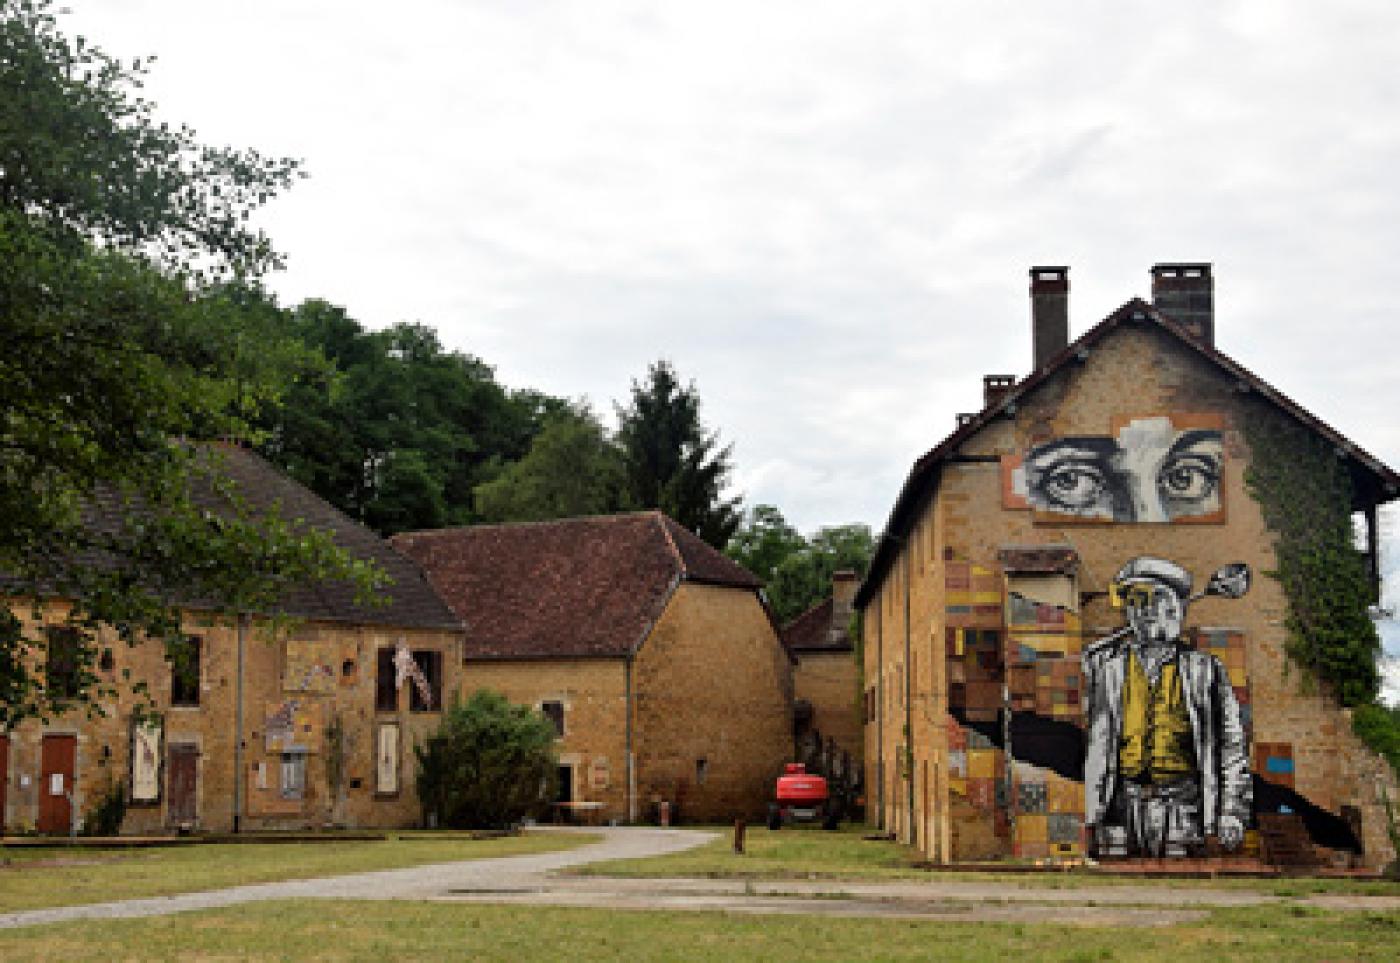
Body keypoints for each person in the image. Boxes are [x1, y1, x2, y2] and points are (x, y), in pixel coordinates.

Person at [1081, 556, 1250, 857]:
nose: (1142, 610)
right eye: (1133, 601)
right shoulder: (1108, 669)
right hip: (1121, 808)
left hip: (1184, 810)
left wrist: (1231, 812)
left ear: (1175, 607)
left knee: (1182, 887)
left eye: (1152, 598)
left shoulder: (1205, 671)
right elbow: (1092, 739)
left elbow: (1232, 747)